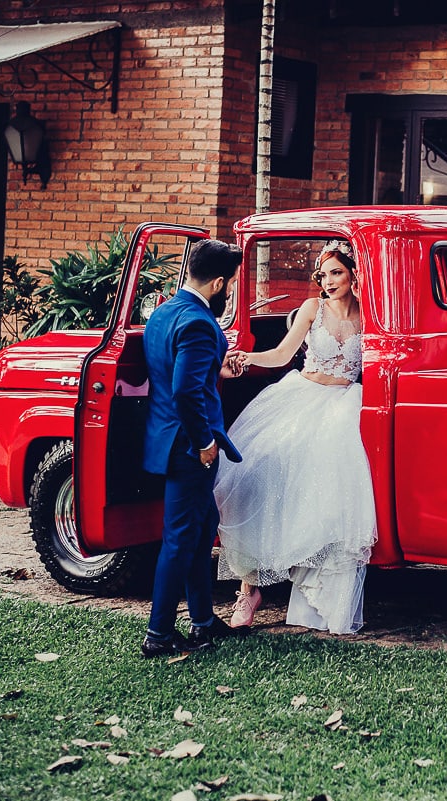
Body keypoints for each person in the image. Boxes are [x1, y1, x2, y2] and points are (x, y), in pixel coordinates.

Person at [215, 239, 377, 634]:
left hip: (345, 405)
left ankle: (321, 593)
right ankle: (248, 587)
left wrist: (366, 301)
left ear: (354, 272)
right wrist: (248, 358)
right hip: (302, 397)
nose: (329, 281)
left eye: (337, 272)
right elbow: (282, 354)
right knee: (265, 469)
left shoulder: (370, 314)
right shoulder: (312, 308)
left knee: (331, 491)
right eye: (324, 275)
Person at [140, 238, 248, 658]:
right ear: (219, 283)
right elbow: (185, 392)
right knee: (181, 539)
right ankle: (158, 634)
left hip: (165, 437)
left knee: (202, 531)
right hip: (189, 446)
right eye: (232, 285)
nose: (231, 292)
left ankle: (203, 622)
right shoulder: (202, 323)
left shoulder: (164, 311)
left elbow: (172, 372)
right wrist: (204, 442)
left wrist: (219, 365)